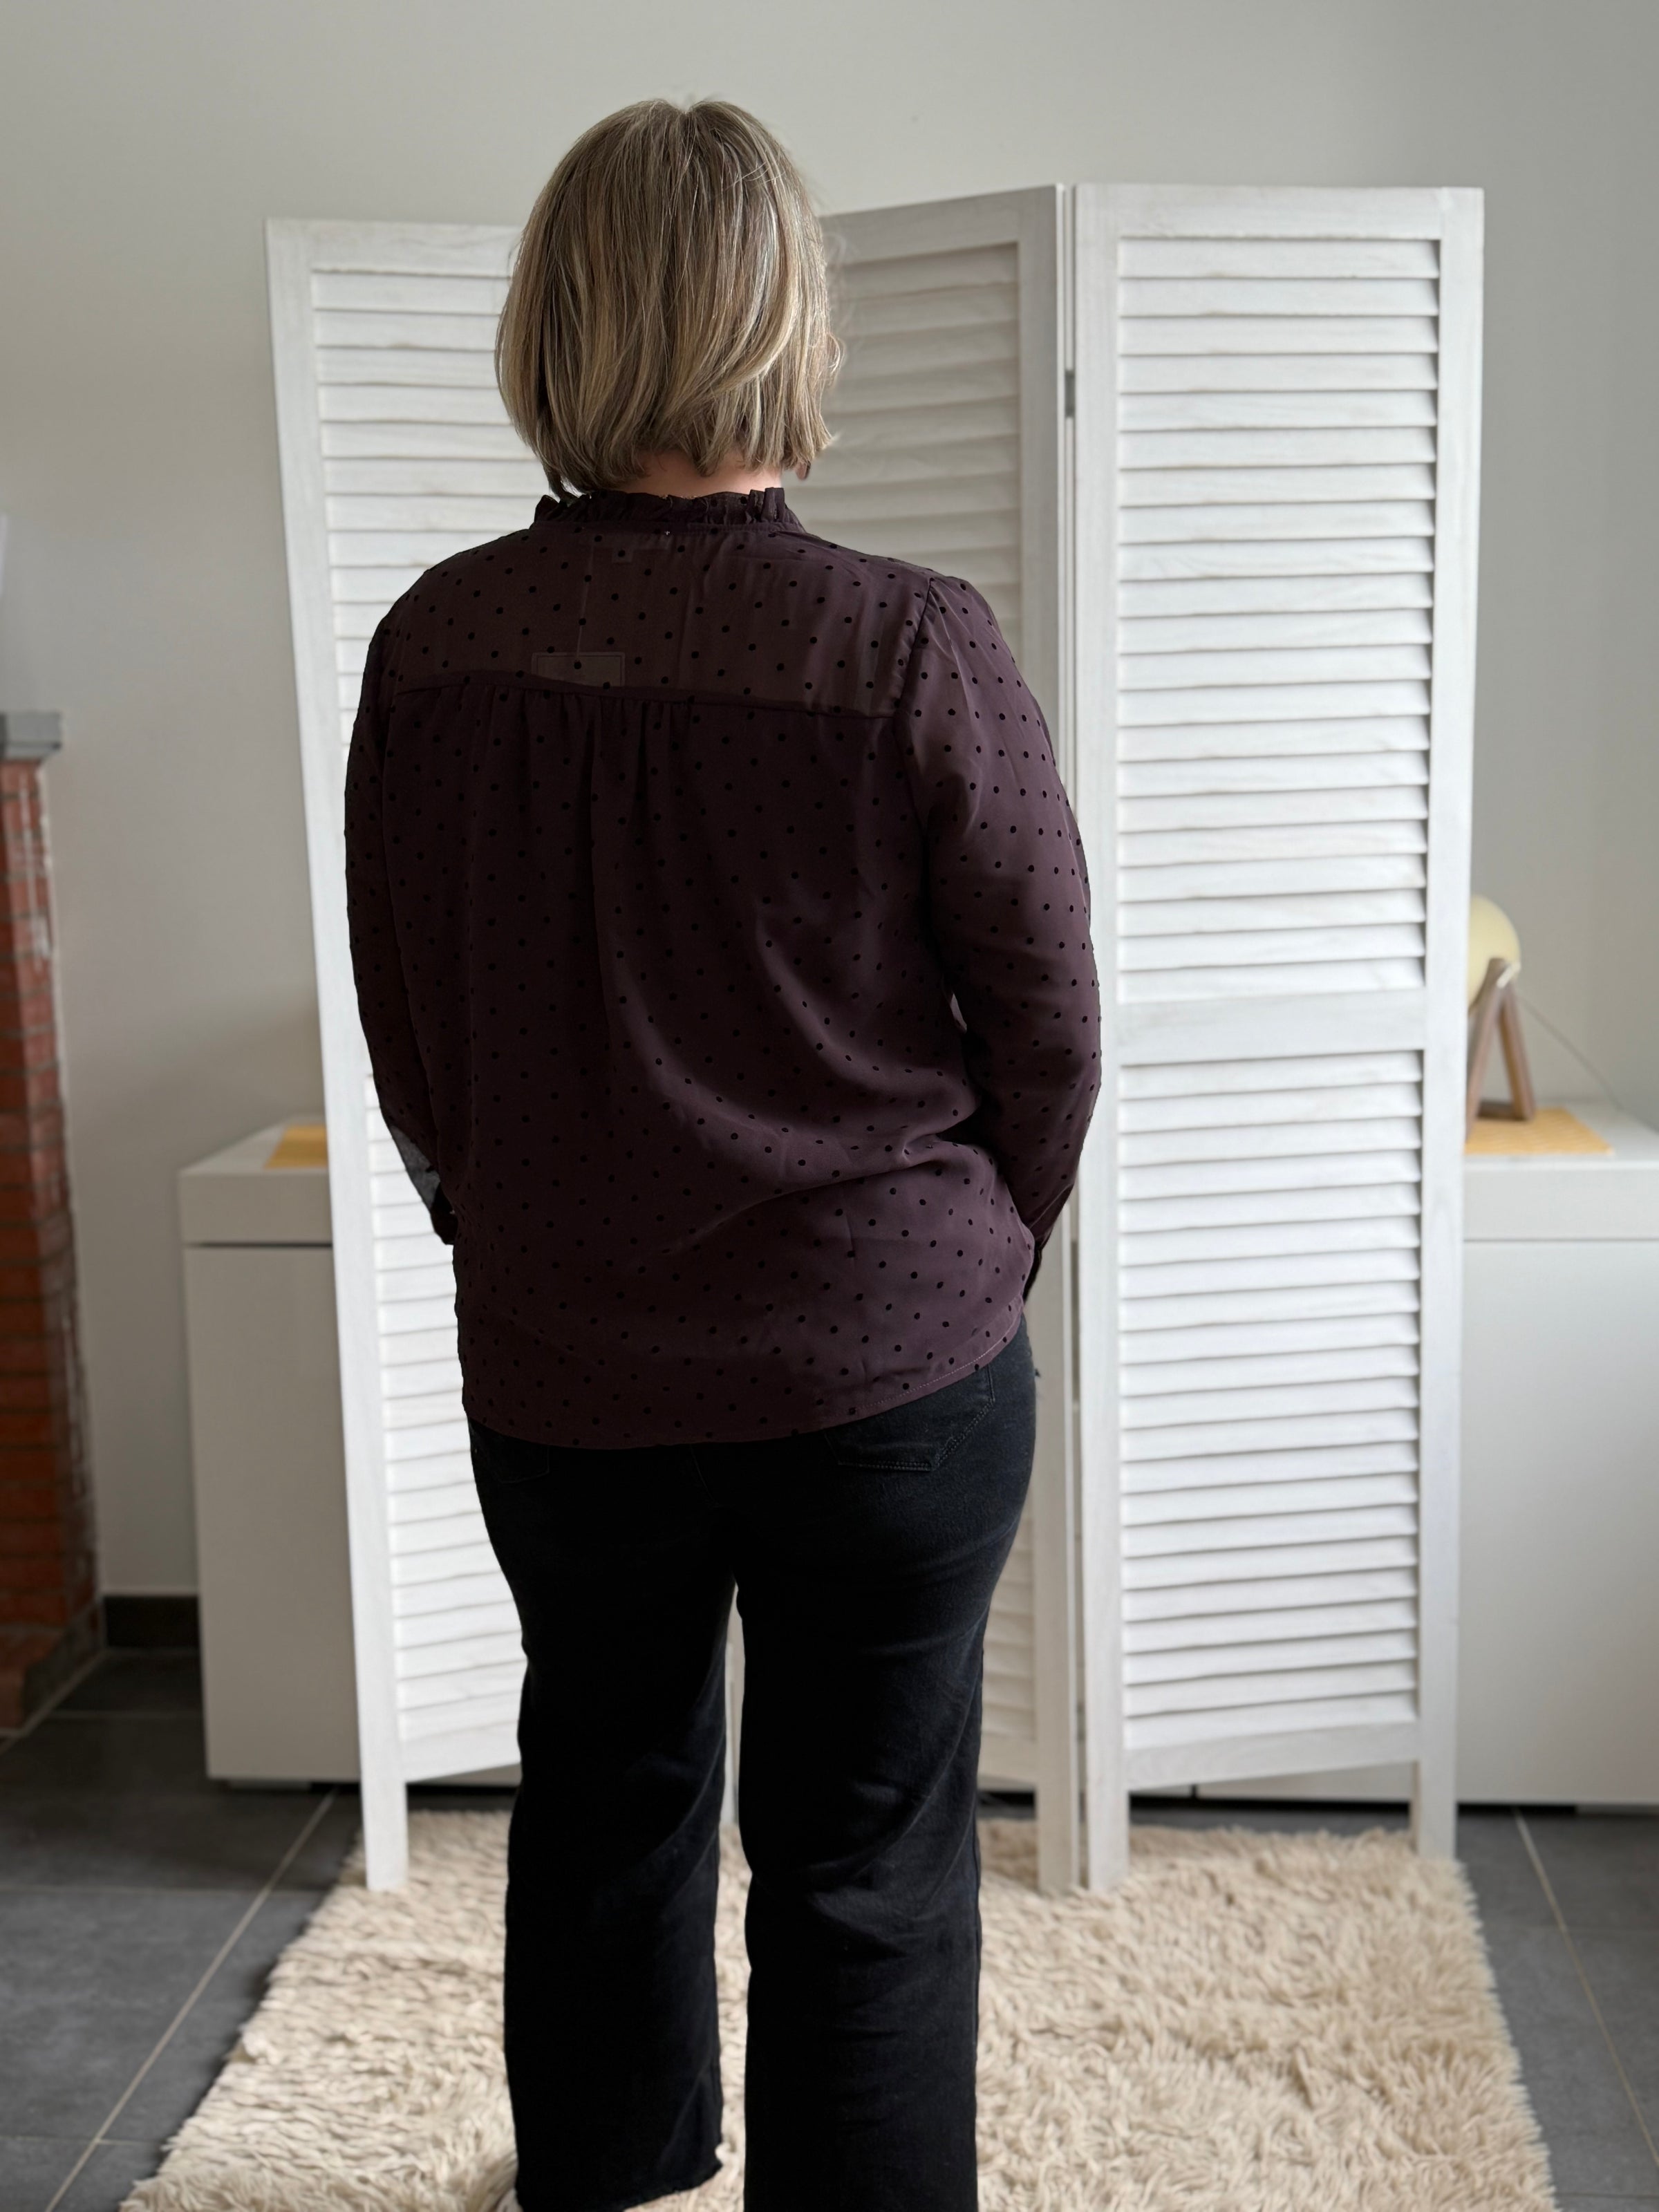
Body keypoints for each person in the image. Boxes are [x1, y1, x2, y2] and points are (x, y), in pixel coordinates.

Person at [344, 97, 1099, 2212]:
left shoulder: (435, 648)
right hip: (888, 1372)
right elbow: (1050, 1022)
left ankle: (610, 2174)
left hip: (570, 1367)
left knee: (603, 1794)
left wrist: (513, 1237)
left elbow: (412, 1031)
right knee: (864, 1859)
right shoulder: (906, 643)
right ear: (793, 321)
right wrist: (976, 1258)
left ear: (555, 326)